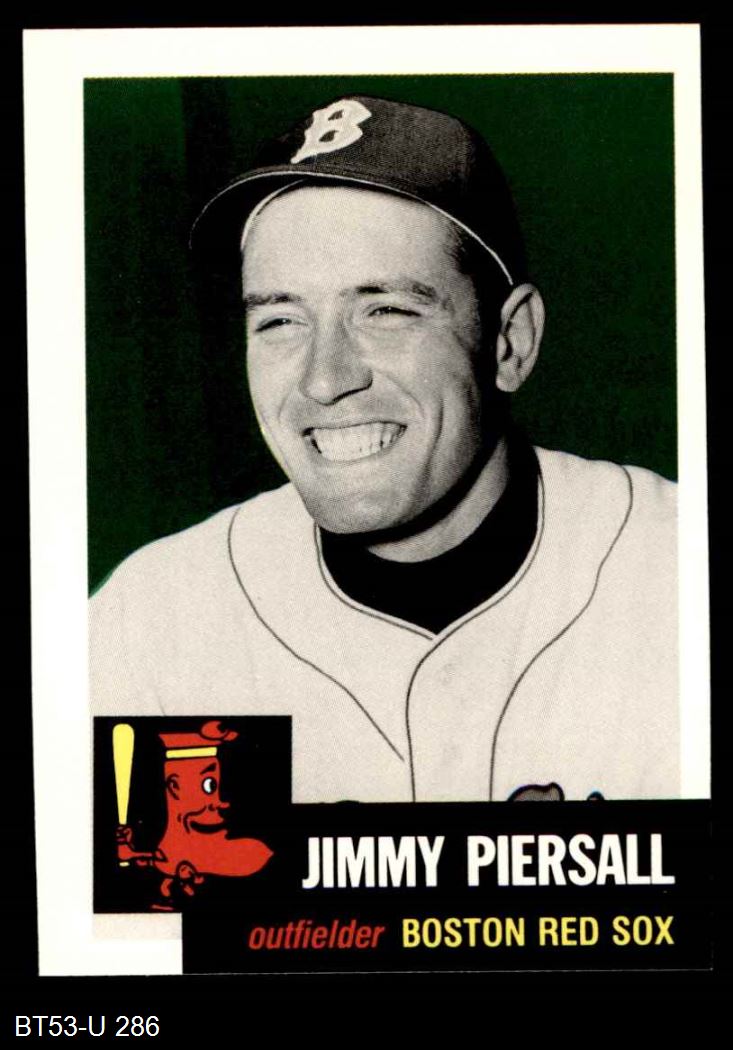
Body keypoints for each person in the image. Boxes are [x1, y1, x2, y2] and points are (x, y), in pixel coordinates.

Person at [90, 95, 678, 803]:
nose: (325, 379)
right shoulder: (157, 624)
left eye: (386, 311)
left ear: (510, 341)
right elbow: (168, 877)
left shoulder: (675, 574)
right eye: (280, 321)